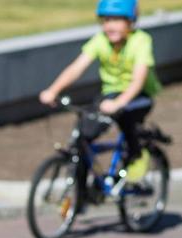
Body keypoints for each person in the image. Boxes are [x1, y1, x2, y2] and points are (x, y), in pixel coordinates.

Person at [39, 0, 161, 182]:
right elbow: (76, 68)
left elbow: (138, 80)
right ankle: (81, 191)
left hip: (138, 96)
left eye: (117, 20)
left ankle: (136, 154)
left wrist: (119, 103)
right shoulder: (100, 40)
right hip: (110, 95)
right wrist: (53, 90)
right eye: (106, 20)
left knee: (125, 115)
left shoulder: (141, 41)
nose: (110, 26)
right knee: (83, 133)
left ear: (131, 22)